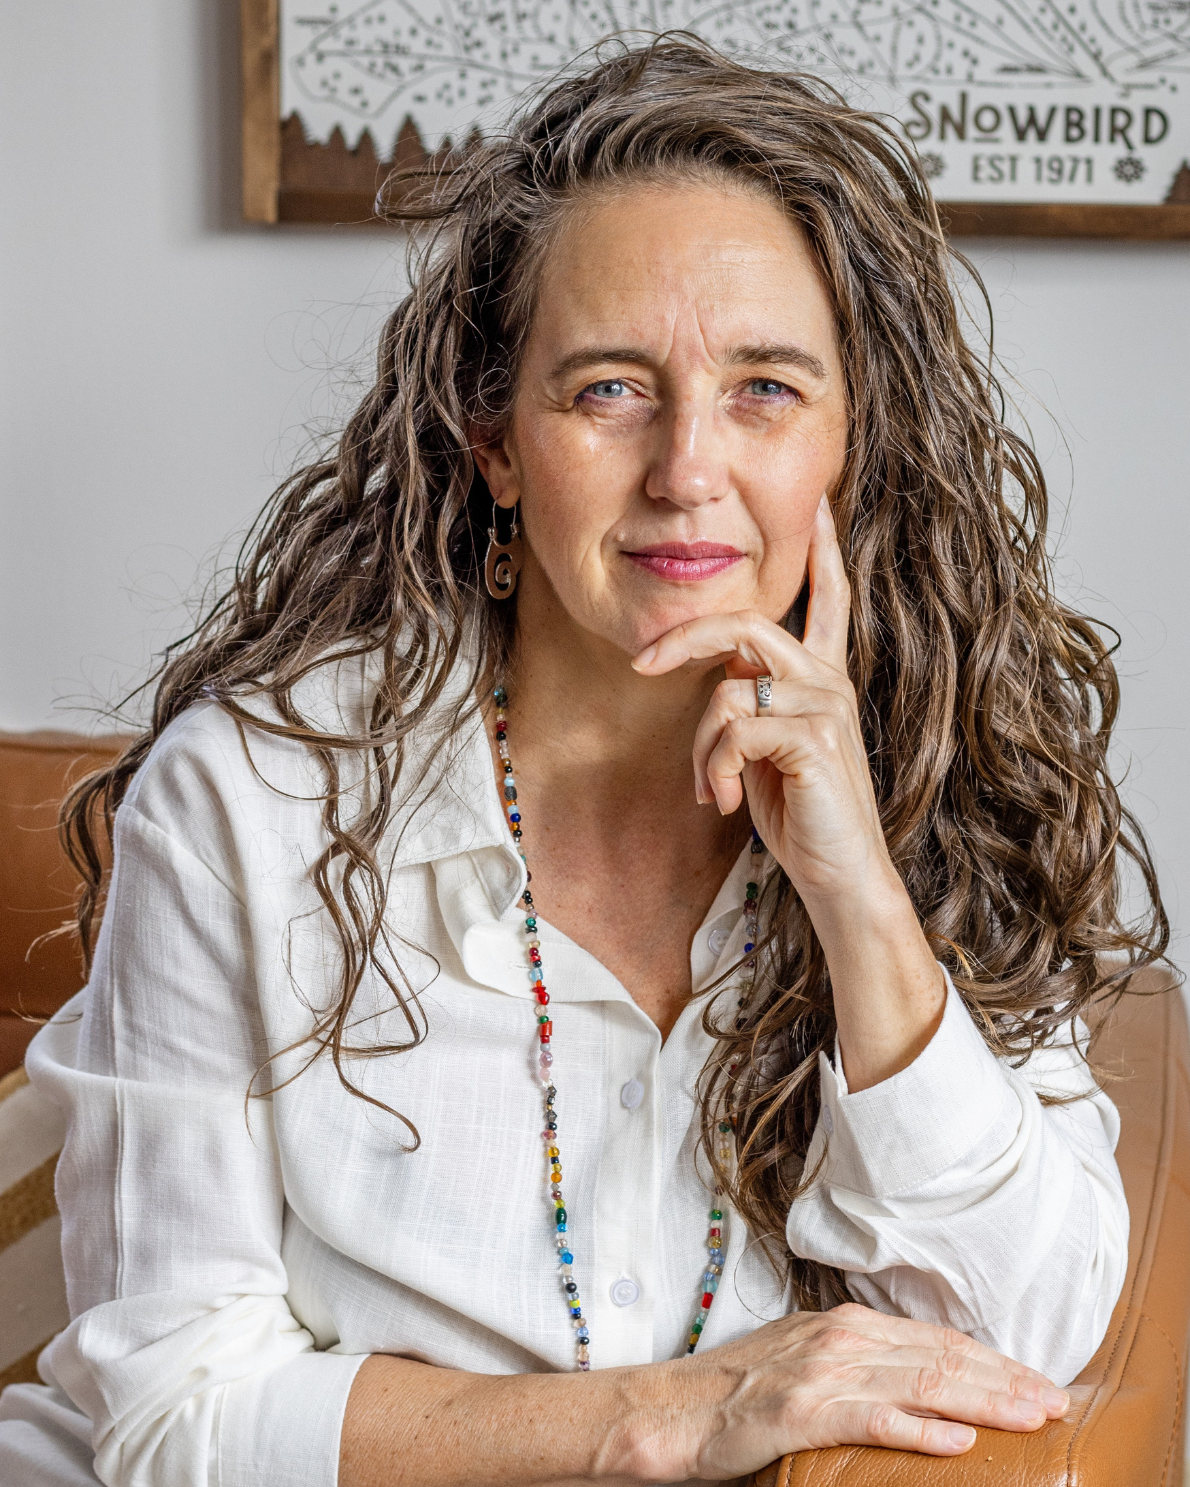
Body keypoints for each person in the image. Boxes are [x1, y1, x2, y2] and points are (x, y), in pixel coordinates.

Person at [0, 38, 1168, 1487]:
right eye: (609, 390)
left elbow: (1034, 1333)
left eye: (764, 391)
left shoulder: (939, 795)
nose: (686, 467)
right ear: (493, 440)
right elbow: (170, 1412)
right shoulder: (249, 798)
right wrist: (667, 1411)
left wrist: (859, 892)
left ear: (850, 445)